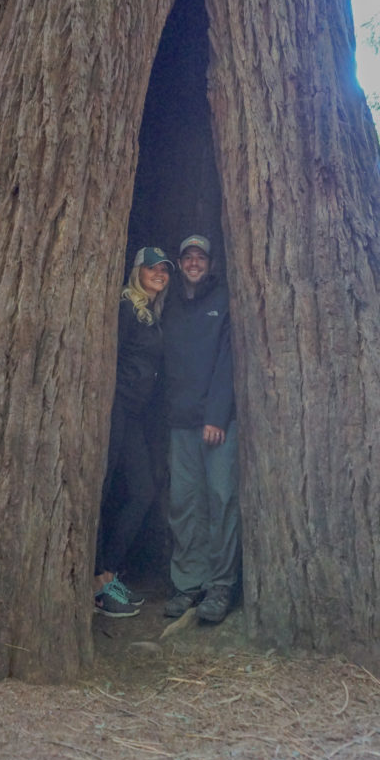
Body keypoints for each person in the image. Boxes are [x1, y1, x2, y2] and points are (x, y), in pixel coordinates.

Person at [162, 234, 240, 624]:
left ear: (210, 264)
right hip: (180, 422)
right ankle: (187, 583)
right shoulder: (170, 305)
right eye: (187, 256)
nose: (194, 262)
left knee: (220, 500)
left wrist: (217, 415)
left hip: (216, 424)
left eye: (200, 257)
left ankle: (220, 586)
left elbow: (228, 361)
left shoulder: (222, 300)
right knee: (183, 503)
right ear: (180, 263)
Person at [94, 246, 173, 617]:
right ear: (137, 271)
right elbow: (110, 355)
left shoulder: (151, 315)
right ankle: (98, 583)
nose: (159, 272)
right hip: (116, 410)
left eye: (164, 269)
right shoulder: (127, 309)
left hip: (135, 415)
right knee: (103, 489)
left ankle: (109, 571)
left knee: (142, 490)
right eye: (151, 267)